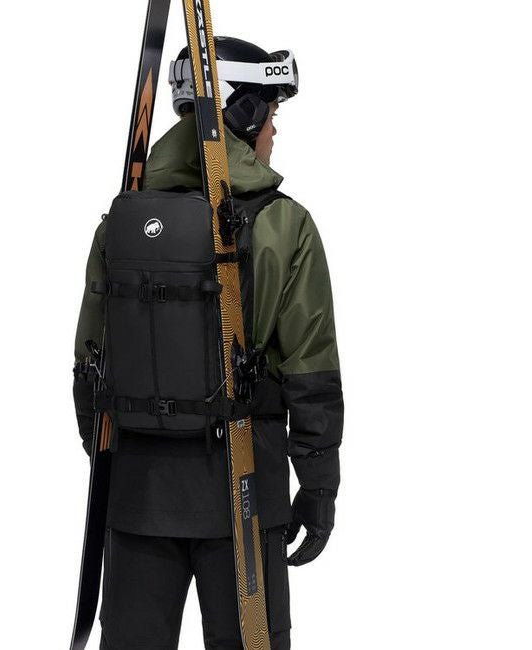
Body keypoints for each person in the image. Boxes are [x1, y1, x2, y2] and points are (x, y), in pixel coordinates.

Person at [74, 36, 344, 650]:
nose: (274, 130)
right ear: (241, 113)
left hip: (137, 498)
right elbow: (310, 368)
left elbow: (90, 361)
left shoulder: (120, 223)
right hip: (244, 495)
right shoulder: (283, 224)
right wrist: (318, 486)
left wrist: (110, 463)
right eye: (270, 113)